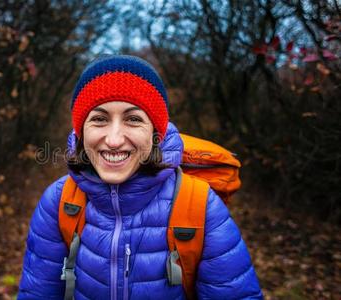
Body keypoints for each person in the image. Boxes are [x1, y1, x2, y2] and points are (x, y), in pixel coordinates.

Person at [18, 55, 263, 299]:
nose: (114, 140)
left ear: (156, 133)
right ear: (81, 131)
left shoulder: (199, 205)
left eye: (133, 119)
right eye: (99, 119)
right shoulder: (59, 202)